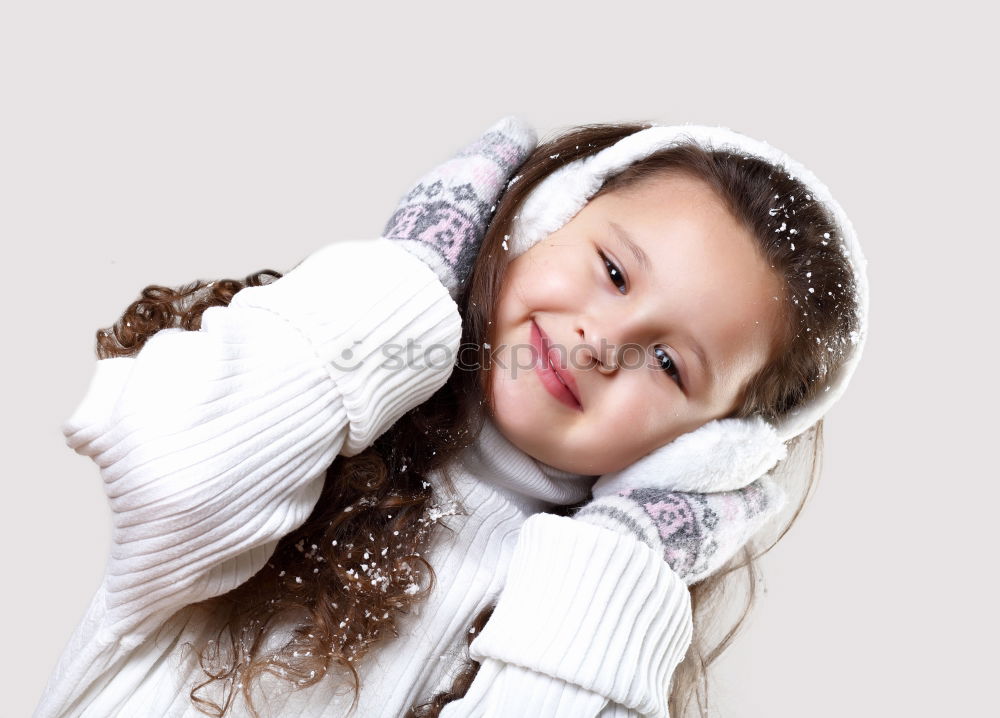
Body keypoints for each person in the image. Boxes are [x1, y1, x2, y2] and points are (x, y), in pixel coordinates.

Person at [33, 116, 868, 718]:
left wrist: (623, 558)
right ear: (537, 221)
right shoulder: (306, 409)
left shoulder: (580, 625)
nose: (601, 342)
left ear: (706, 452)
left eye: (668, 363)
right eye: (613, 272)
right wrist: (410, 281)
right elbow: (179, 481)